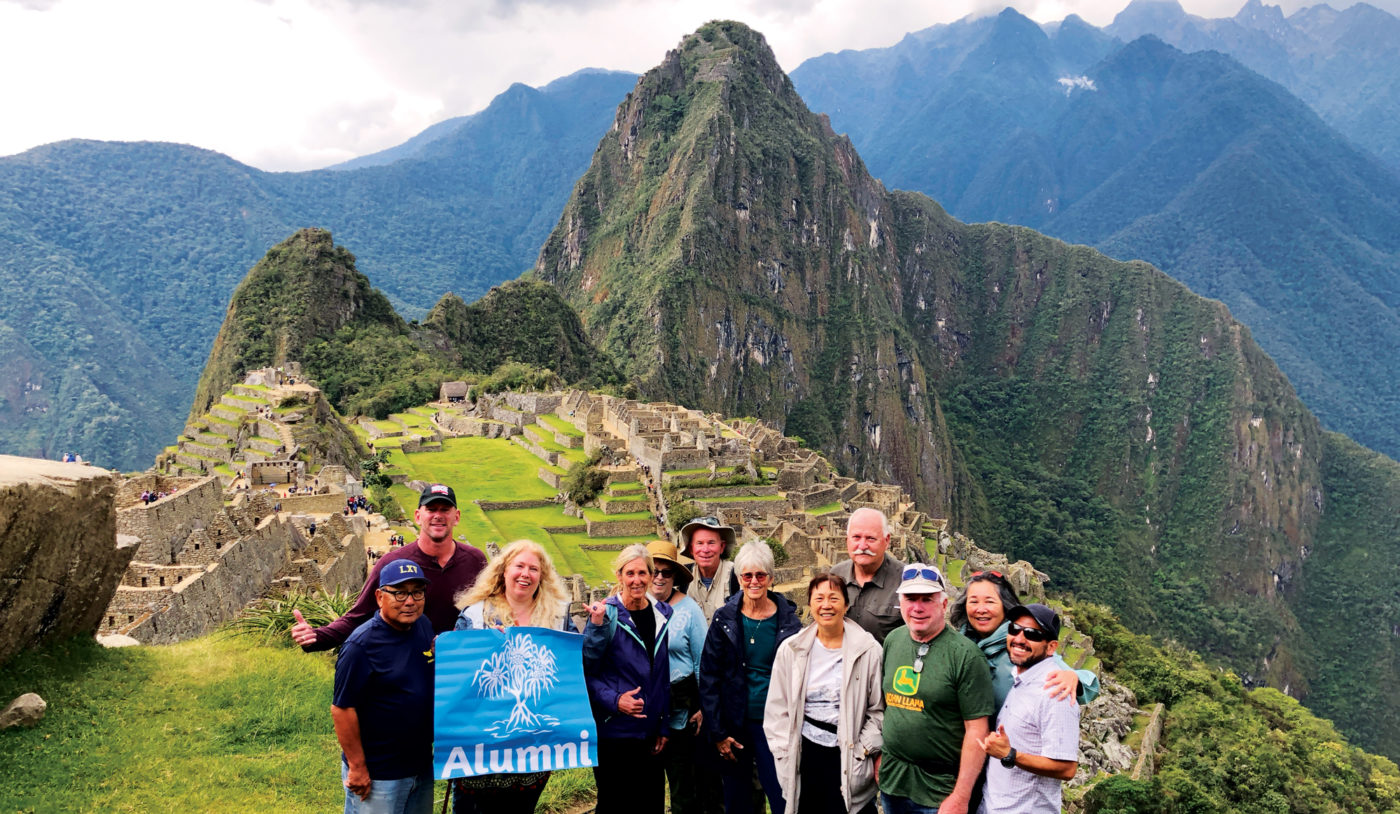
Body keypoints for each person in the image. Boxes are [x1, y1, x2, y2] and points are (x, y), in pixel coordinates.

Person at [449, 540, 577, 814]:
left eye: (534, 568)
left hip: (532, 753)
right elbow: (458, 675)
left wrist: (599, 628)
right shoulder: (476, 615)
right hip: (480, 750)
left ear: (542, 576)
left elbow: (574, 667)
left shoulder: (557, 617)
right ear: (503, 570)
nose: (525, 574)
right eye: (519, 566)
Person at [291, 484, 487, 649]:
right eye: (431, 509)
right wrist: (317, 637)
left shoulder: (475, 561)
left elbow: (493, 610)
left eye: (445, 510)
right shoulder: (393, 564)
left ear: (457, 517)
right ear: (418, 516)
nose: (438, 515)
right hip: (407, 666)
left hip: (460, 665)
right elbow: (359, 616)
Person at [879, 564, 995, 814]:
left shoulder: (965, 656)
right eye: (910, 599)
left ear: (943, 605)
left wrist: (961, 796)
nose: (917, 608)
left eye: (927, 599)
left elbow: (977, 730)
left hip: (939, 792)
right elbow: (886, 707)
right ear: (901, 602)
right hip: (893, 783)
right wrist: (880, 757)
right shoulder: (893, 640)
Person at [765, 572, 884, 814]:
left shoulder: (868, 651)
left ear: (846, 605)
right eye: (819, 599)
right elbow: (777, 708)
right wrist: (784, 753)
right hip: (805, 753)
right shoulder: (792, 650)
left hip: (849, 753)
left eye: (834, 598)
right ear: (810, 604)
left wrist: (864, 749)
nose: (826, 605)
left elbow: (878, 709)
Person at [699, 539, 802, 814]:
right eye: (747, 575)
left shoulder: (789, 622)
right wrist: (719, 733)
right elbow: (709, 677)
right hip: (736, 725)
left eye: (761, 575)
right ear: (739, 578)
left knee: (783, 798)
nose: (754, 581)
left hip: (776, 726)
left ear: (771, 578)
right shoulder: (724, 620)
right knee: (737, 800)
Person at [330, 560, 436, 814]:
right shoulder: (361, 646)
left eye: (417, 592)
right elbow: (342, 709)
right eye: (399, 592)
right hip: (380, 773)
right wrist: (357, 767)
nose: (410, 601)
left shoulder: (423, 626)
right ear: (379, 597)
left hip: (420, 764)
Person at [583, 544, 673, 814]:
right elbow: (586, 672)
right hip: (615, 733)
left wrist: (663, 725)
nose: (637, 580)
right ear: (619, 576)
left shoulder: (662, 614)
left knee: (650, 804)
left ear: (650, 574)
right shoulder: (606, 616)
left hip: (649, 733)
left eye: (643, 573)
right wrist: (616, 700)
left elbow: (663, 676)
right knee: (615, 804)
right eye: (630, 573)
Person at [976, 604, 1080, 814]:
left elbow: (1067, 768)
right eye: (1015, 629)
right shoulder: (1023, 679)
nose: (1019, 639)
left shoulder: (1054, 692)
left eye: (1032, 634)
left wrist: (1010, 754)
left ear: (1051, 647)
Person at [948, 571, 1099, 710]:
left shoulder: (1021, 646)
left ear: (1004, 606)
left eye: (990, 602)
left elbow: (1087, 685)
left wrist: (1073, 678)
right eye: (973, 602)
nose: (981, 609)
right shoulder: (959, 646)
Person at [646, 540, 712, 814]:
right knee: (646, 787)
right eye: (654, 570)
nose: (659, 577)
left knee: (683, 787)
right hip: (645, 710)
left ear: (674, 576)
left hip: (681, 708)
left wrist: (701, 706)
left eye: (666, 572)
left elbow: (702, 663)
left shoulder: (689, 610)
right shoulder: (636, 607)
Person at [831, 508, 906, 643]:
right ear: (847, 540)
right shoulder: (835, 576)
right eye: (856, 537)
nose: (863, 545)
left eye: (871, 538)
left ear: (886, 540)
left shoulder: (905, 581)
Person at [679, 516, 739, 623]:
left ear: (721, 547)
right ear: (691, 549)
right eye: (700, 543)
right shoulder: (684, 577)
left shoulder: (737, 576)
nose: (705, 549)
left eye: (711, 543)